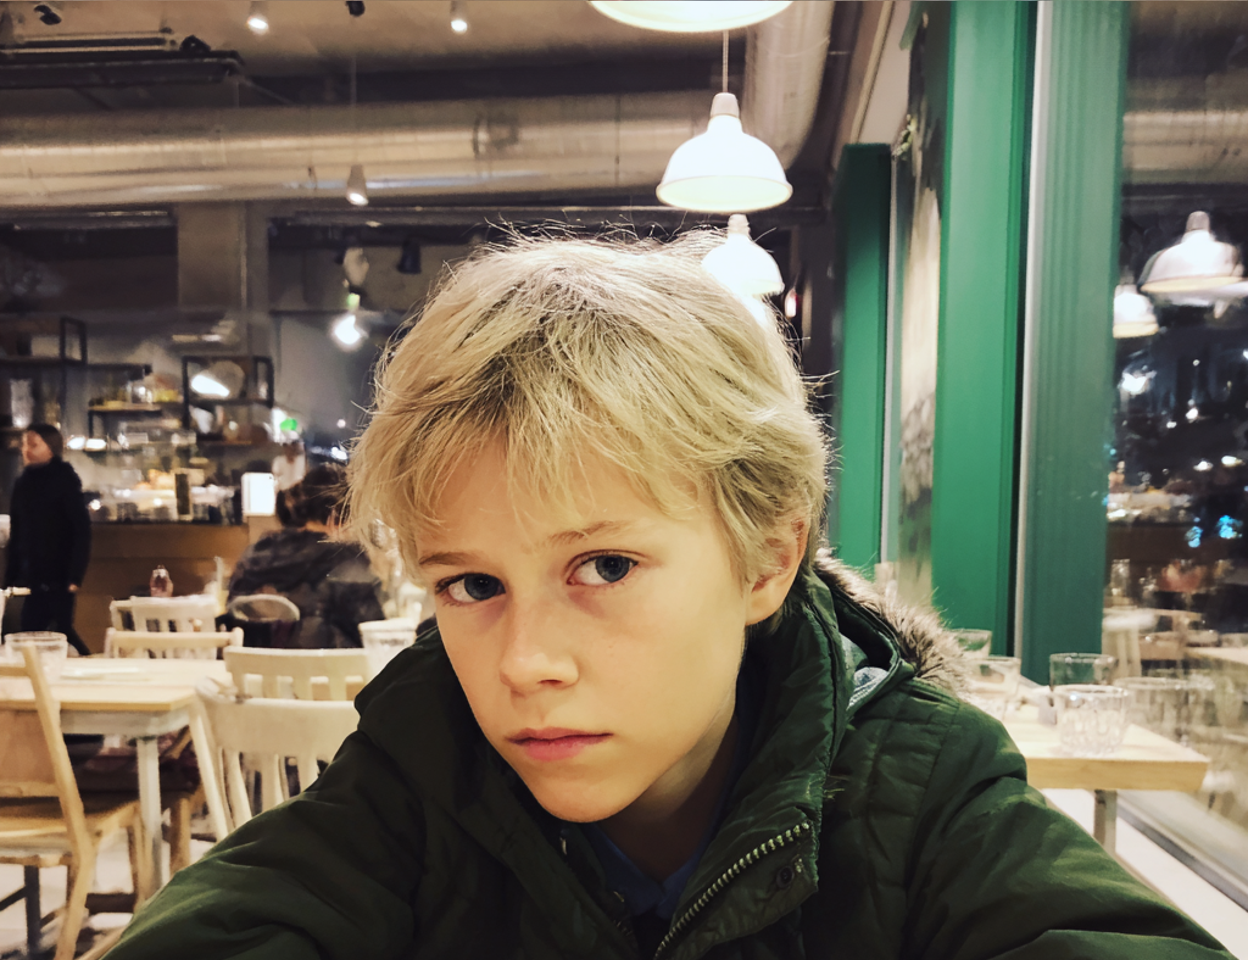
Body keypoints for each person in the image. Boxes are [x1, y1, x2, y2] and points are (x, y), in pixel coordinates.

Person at [108, 236, 1232, 959]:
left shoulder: (917, 788)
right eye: (473, 583)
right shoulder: (420, 774)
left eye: (603, 567)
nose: (525, 662)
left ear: (765, 561)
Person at [227, 463, 384, 648]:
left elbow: (231, 613)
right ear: (338, 516)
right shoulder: (345, 559)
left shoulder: (257, 552)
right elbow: (375, 632)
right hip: (329, 673)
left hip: (253, 672)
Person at [5, 423, 91, 655]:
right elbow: (18, 531)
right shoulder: (22, 483)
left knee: (58, 630)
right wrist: (9, 578)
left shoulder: (65, 479)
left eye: (33, 444)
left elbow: (81, 530)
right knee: (33, 632)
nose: (26, 450)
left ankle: (86, 662)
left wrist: (75, 575)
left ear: (51, 448)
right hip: (30, 576)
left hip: (60, 574)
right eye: (24, 445)